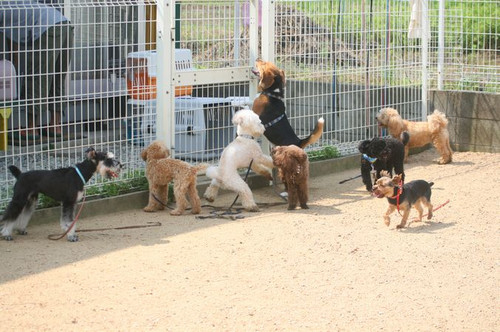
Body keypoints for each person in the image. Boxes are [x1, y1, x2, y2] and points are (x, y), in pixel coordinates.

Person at [0, 0, 74, 139]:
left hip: (46, 28)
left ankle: (31, 129)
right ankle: (55, 126)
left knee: (36, 78)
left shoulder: (3, 9)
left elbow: (13, 49)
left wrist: (14, 71)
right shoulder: (12, 4)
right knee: (57, 77)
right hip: (65, 24)